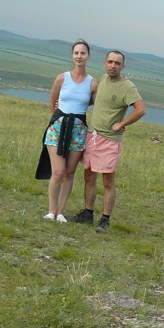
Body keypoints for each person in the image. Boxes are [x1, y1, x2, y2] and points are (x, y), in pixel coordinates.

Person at [70, 50, 146, 233]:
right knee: (88, 176)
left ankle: (105, 219)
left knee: (107, 181)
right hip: (92, 135)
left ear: (123, 67)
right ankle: (87, 214)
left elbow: (140, 109)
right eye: (110, 62)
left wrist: (122, 123)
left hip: (109, 140)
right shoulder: (103, 79)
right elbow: (96, 101)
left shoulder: (127, 87)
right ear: (105, 64)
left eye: (117, 63)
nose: (113, 66)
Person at [40, 40, 98, 222]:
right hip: (58, 128)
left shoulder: (93, 83)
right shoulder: (61, 78)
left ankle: (61, 212)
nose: (79, 56)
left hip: (79, 130)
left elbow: (97, 103)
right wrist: (57, 118)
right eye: (76, 53)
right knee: (57, 171)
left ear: (89, 56)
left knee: (70, 172)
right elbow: (52, 100)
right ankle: (51, 210)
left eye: (83, 53)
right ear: (72, 55)